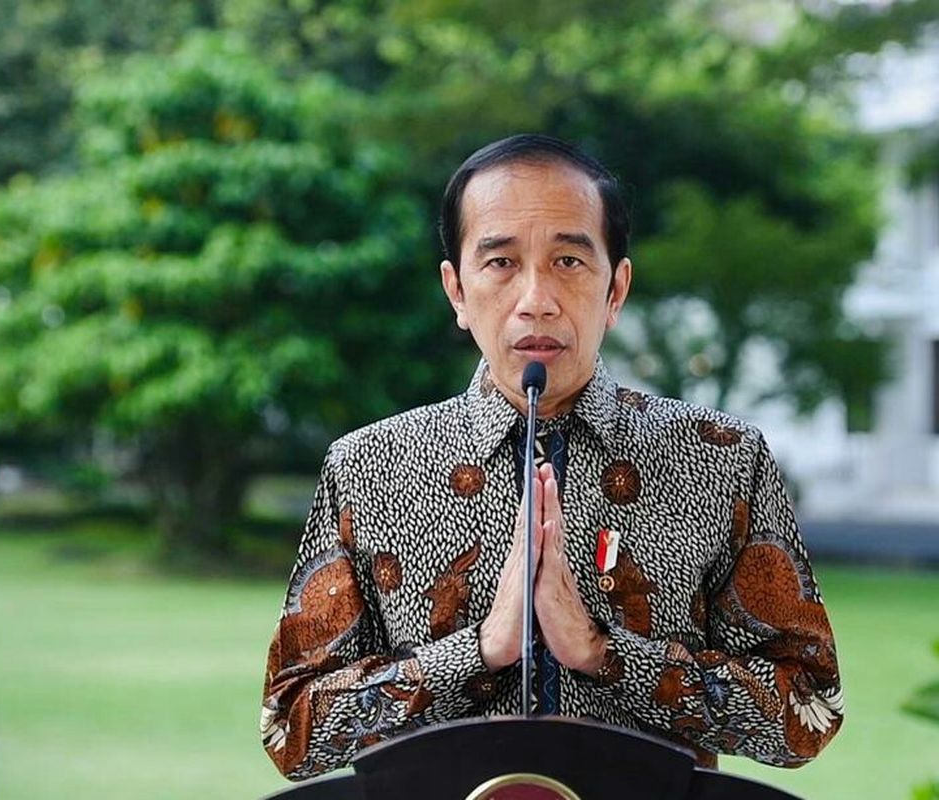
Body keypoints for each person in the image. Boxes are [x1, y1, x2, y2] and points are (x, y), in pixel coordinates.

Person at [259, 134, 843, 780]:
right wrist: (479, 652)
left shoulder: (724, 459)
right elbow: (291, 727)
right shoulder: (368, 467)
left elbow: (809, 709)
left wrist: (603, 652)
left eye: (568, 261)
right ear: (456, 290)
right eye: (501, 263)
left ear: (616, 290)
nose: (535, 298)